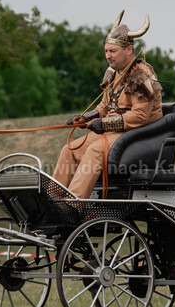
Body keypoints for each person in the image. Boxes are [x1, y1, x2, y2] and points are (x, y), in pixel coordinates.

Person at [52, 11, 163, 198]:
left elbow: (140, 116)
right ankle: (53, 201)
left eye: (113, 51)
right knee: (70, 149)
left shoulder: (141, 75)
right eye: (106, 51)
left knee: (94, 151)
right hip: (113, 133)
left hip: (137, 133)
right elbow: (104, 106)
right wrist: (84, 118)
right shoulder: (112, 73)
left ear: (129, 50)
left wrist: (103, 124)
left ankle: (73, 205)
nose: (108, 56)